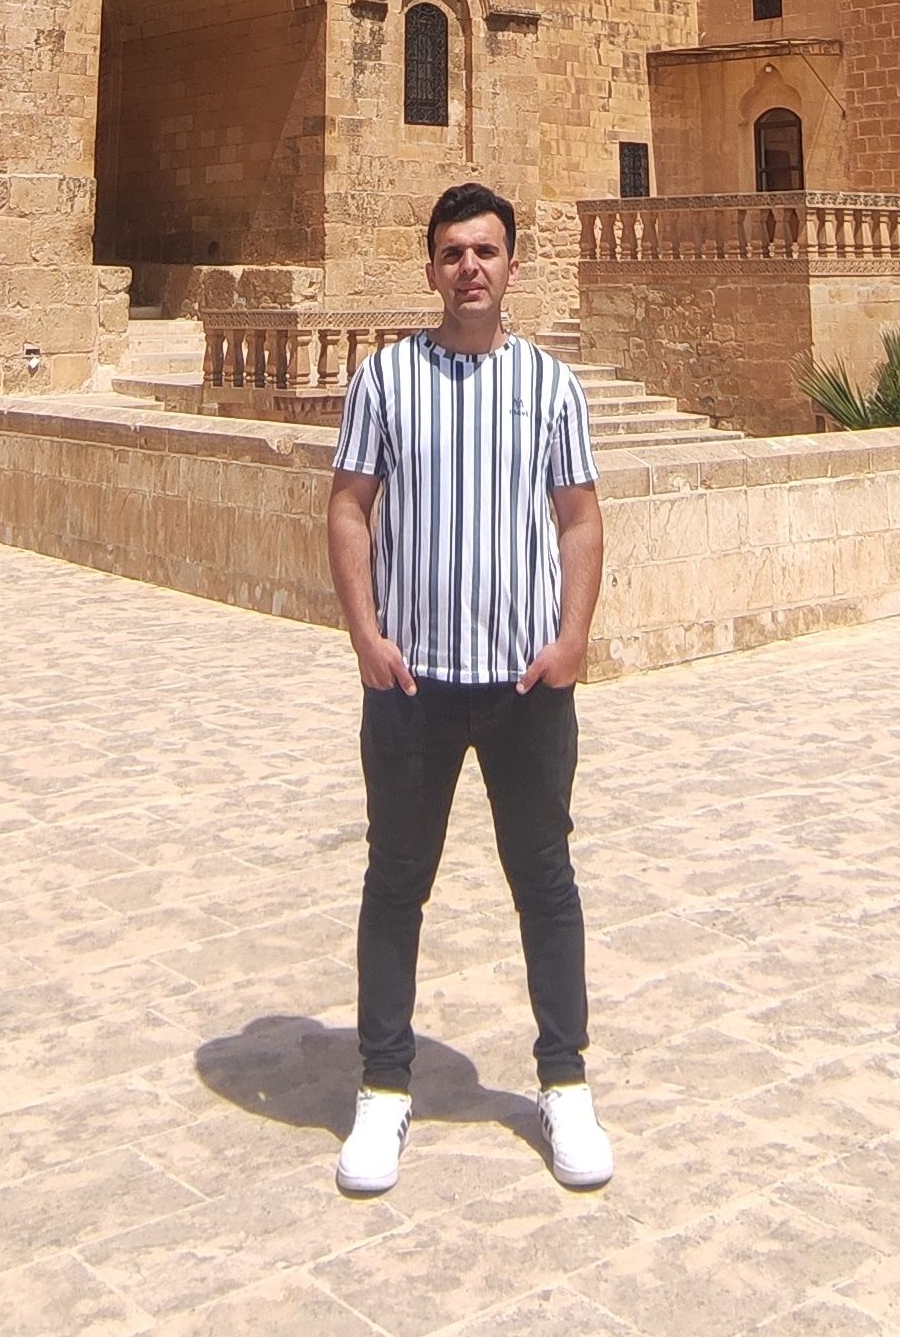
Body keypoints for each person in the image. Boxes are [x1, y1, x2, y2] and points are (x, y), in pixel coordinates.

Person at [325, 180, 608, 1197]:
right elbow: (350, 506)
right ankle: (383, 1091)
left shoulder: (552, 387)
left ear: (513, 266)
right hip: (412, 683)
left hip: (528, 681)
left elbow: (577, 517)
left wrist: (573, 638)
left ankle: (564, 1082)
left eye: (486, 252)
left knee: (546, 881)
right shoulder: (386, 379)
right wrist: (365, 633)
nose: (471, 269)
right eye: (454, 253)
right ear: (433, 266)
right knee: (396, 882)